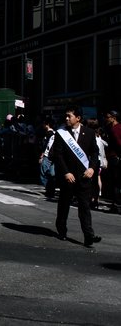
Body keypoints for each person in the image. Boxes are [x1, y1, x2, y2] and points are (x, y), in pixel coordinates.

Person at [52, 106, 101, 247]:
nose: (67, 118)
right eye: (66, 116)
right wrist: (66, 172)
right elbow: (58, 155)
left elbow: (94, 153)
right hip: (68, 176)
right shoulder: (61, 133)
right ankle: (61, 230)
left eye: (69, 116)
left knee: (84, 207)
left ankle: (88, 235)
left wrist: (92, 168)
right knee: (64, 205)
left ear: (78, 118)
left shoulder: (90, 133)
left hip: (84, 176)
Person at [104, 110, 121, 214]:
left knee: (116, 182)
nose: (106, 119)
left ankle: (117, 205)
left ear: (113, 118)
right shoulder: (118, 127)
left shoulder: (114, 129)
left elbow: (119, 143)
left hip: (115, 158)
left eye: (108, 117)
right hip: (116, 157)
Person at [39, 117, 56, 199]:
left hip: (48, 155)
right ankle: (50, 190)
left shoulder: (49, 134)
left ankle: (49, 189)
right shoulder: (55, 133)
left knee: (44, 172)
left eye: (44, 124)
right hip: (53, 156)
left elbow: (46, 145)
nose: (43, 125)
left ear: (47, 124)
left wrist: (42, 155)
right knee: (51, 174)